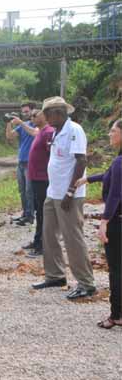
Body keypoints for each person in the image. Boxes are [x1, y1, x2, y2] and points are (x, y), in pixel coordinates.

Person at [31, 97, 96, 300]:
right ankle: (55, 275)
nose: (46, 118)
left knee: (72, 238)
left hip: (68, 195)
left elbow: (81, 161)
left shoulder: (74, 130)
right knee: (49, 235)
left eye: (48, 114)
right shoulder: (56, 132)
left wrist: (70, 191)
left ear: (58, 113)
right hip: (53, 192)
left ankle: (86, 283)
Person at [75, 119, 122, 328]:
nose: (110, 134)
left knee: (117, 270)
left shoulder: (120, 162)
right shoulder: (118, 162)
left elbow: (115, 194)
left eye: (113, 130)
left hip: (117, 222)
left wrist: (104, 222)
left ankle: (116, 315)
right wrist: (88, 179)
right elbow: (111, 177)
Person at [23, 109, 54, 257]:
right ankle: (37, 241)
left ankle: (42, 245)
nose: (33, 117)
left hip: (43, 179)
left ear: (45, 116)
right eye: (32, 115)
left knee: (43, 212)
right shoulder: (40, 131)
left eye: (36, 114)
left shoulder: (48, 132)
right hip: (35, 179)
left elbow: (51, 155)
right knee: (38, 211)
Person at [6, 102, 36, 225]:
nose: (24, 114)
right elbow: (10, 136)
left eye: (27, 111)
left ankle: (30, 216)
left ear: (32, 111)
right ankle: (25, 213)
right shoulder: (22, 125)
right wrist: (8, 122)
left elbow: (34, 132)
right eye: (23, 112)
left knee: (29, 190)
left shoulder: (36, 124)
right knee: (22, 190)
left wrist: (21, 123)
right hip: (21, 162)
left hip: (31, 163)